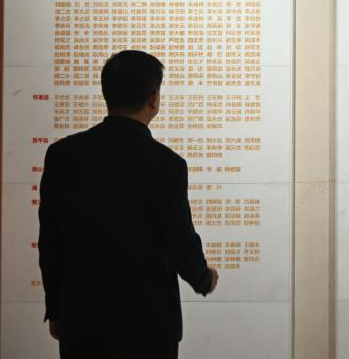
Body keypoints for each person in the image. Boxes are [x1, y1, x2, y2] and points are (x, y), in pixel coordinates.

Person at [38, 50, 218, 359]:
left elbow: (51, 242)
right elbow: (177, 236)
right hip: (149, 322)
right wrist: (202, 277)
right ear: (153, 98)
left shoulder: (63, 155)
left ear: (106, 93)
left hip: (83, 319)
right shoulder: (166, 164)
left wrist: (56, 308)